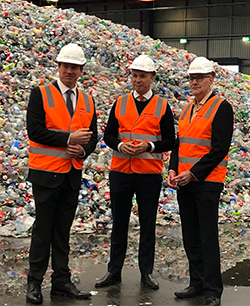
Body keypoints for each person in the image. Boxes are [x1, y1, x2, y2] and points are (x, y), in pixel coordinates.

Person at [95, 55, 175, 290]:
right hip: (121, 171)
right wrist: (120, 146)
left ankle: (146, 272)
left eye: (142, 76)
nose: (138, 80)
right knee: (119, 221)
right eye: (135, 75)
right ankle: (114, 271)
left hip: (148, 173)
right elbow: (108, 134)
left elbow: (170, 140)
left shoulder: (162, 106)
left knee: (147, 223)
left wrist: (148, 146)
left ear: (152, 78)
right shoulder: (120, 102)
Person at [26, 43, 97, 304]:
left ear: (81, 70)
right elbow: (35, 131)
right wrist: (68, 138)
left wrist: (84, 150)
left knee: (63, 231)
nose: (70, 71)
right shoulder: (41, 94)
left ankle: (61, 281)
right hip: (46, 174)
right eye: (66, 66)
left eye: (75, 67)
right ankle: (34, 283)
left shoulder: (87, 100)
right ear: (58, 67)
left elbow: (93, 135)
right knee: (43, 230)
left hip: (71, 173)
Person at [167, 57, 233, 306]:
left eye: (199, 78)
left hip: (207, 182)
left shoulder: (221, 107)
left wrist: (193, 173)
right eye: (192, 78)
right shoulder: (187, 108)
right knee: (190, 235)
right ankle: (196, 283)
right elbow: (179, 144)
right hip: (184, 182)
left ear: (211, 80)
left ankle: (213, 290)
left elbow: (219, 149)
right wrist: (172, 170)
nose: (194, 82)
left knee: (207, 236)